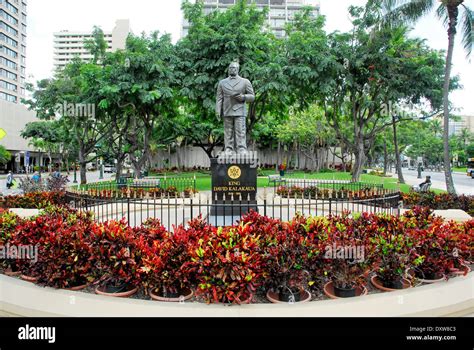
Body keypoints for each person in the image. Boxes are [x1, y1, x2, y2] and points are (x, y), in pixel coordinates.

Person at [216, 62, 255, 156]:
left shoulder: (245, 81)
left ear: (238, 69)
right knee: (228, 131)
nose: (231, 69)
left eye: (233, 68)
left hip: (240, 110)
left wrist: (244, 97)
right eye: (230, 68)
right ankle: (228, 149)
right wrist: (217, 110)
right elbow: (219, 98)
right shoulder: (222, 82)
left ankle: (241, 149)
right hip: (227, 110)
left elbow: (252, 96)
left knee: (240, 130)